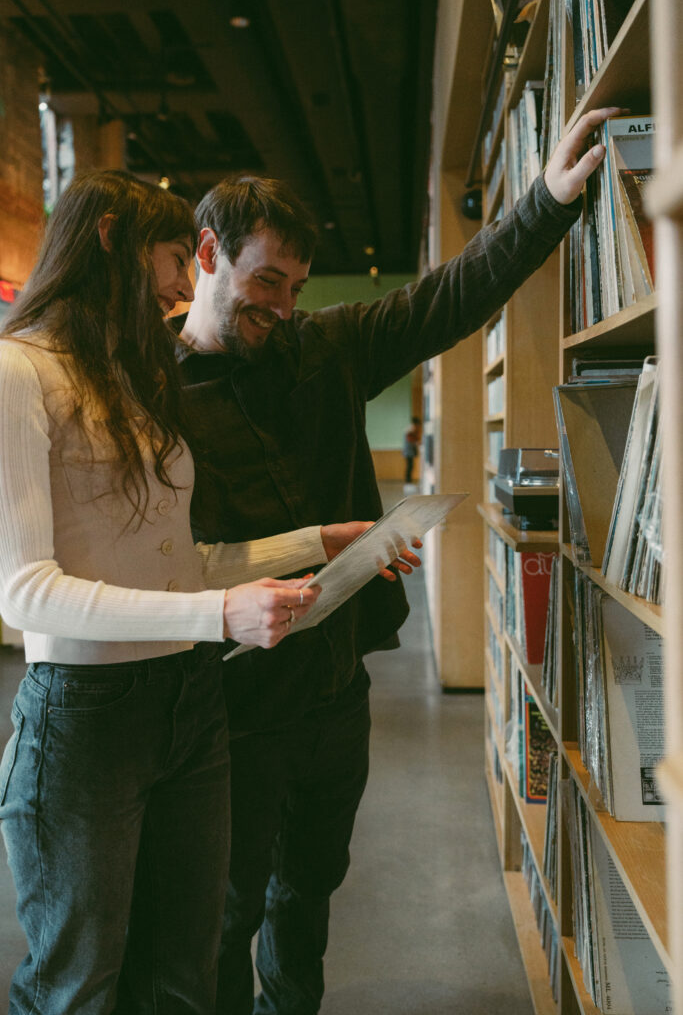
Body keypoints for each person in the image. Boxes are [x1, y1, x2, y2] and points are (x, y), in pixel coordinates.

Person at [174, 107, 621, 1015]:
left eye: (296, 288)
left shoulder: (319, 351)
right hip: (230, 706)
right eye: (266, 281)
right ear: (206, 253)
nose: (282, 308)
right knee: (221, 913)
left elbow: (443, 301)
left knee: (307, 891)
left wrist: (546, 200)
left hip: (335, 691)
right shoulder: (150, 390)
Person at [0, 169, 386, 1015]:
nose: (185, 285)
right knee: (77, 983)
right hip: (86, 717)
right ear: (111, 239)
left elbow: (178, 563)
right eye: (177, 258)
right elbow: (26, 593)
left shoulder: (135, 380)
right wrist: (218, 617)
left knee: (178, 979)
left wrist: (311, 544)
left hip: (191, 702)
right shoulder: (16, 373)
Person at [402, 415, 422, 484]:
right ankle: (408, 480)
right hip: (408, 451)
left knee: (410, 466)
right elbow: (411, 439)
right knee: (410, 466)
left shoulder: (410, 428)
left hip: (409, 450)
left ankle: (408, 480)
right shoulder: (411, 429)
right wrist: (417, 441)